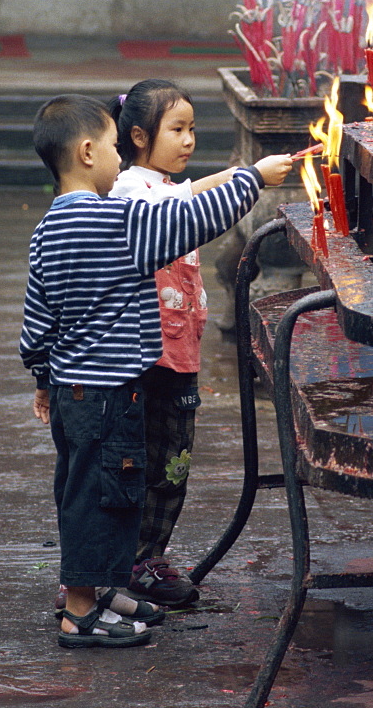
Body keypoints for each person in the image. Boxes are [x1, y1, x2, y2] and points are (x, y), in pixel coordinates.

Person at [20, 94, 292, 648]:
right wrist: (252, 180)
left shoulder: (47, 229)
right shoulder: (120, 221)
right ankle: (79, 612)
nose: (122, 161)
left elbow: (37, 318)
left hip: (73, 391)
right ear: (89, 151)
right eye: (117, 149)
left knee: (93, 491)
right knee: (105, 497)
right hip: (110, 392)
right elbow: (191, 219)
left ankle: (106, 589)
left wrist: (43, 377)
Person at [105, 79, 237, 607]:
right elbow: (183, 203)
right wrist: (242, 181)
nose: (189, 140)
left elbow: (192, 192)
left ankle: (151, 556)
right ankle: (123, 562)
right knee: (134, 461)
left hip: (181, 352)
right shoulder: (131, 188)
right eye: (177, 130)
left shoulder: (166, 187)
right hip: (143, 355)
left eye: (193, 130)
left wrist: (241, 178)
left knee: (173, 460)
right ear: (139, 136)